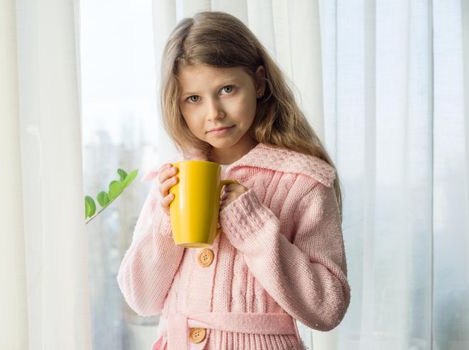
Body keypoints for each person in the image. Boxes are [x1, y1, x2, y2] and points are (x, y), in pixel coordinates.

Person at [118, 11, 350, 350]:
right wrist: (165, 225)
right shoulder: (172, 180)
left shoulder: (305, 181)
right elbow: (141, 299)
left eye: (227, 89)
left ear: (258, 82)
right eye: (193, 99)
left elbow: (327, 309)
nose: (213, 113)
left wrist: (254, 226)